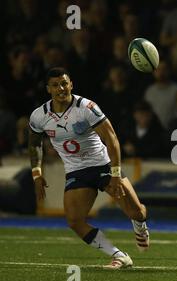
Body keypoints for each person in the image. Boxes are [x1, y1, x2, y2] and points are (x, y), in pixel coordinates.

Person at [28, 68, 149, 269]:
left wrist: (116, 174)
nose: (61, 88)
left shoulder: (86, 107)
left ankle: (140, 226)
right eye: (56, 85)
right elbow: (34, 144)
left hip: (102, 165)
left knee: (136, 211)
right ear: (48, 89)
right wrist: (37, 174)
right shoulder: (39, 115)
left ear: (71, 84)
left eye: (64, 83)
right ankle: (119, 255)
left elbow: (112, 140)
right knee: (75, 221)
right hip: (77, 171)